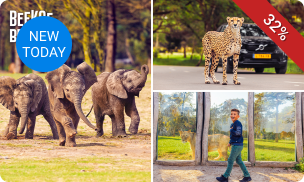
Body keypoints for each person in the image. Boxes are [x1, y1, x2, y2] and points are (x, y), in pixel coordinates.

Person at [216, 108, 251, 182]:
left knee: (230, 160)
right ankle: (247, 176)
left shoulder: (237, 123)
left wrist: (231, 130)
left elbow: (238, 133)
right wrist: (230, 142)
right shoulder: (233, 124)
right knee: (239, 161)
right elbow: (234, 136)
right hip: (236, 144)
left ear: (238, 116)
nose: (232, 115)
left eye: (234, 114)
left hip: (237, 145)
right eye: (231, 114)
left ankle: (225, 177)